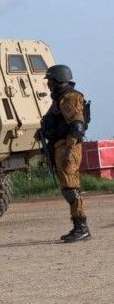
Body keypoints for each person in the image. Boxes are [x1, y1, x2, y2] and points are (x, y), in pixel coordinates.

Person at [39, 65, 91, 242]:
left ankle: (82, 227)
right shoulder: (61, 99)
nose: (49, 85)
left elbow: (77, 126)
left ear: (57, 81)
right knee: (68, 186)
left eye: (50, 81)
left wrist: (69, 150)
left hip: (67, 146)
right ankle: (79, 226)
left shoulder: (69, 97)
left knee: (70, 187)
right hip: (60, 145)